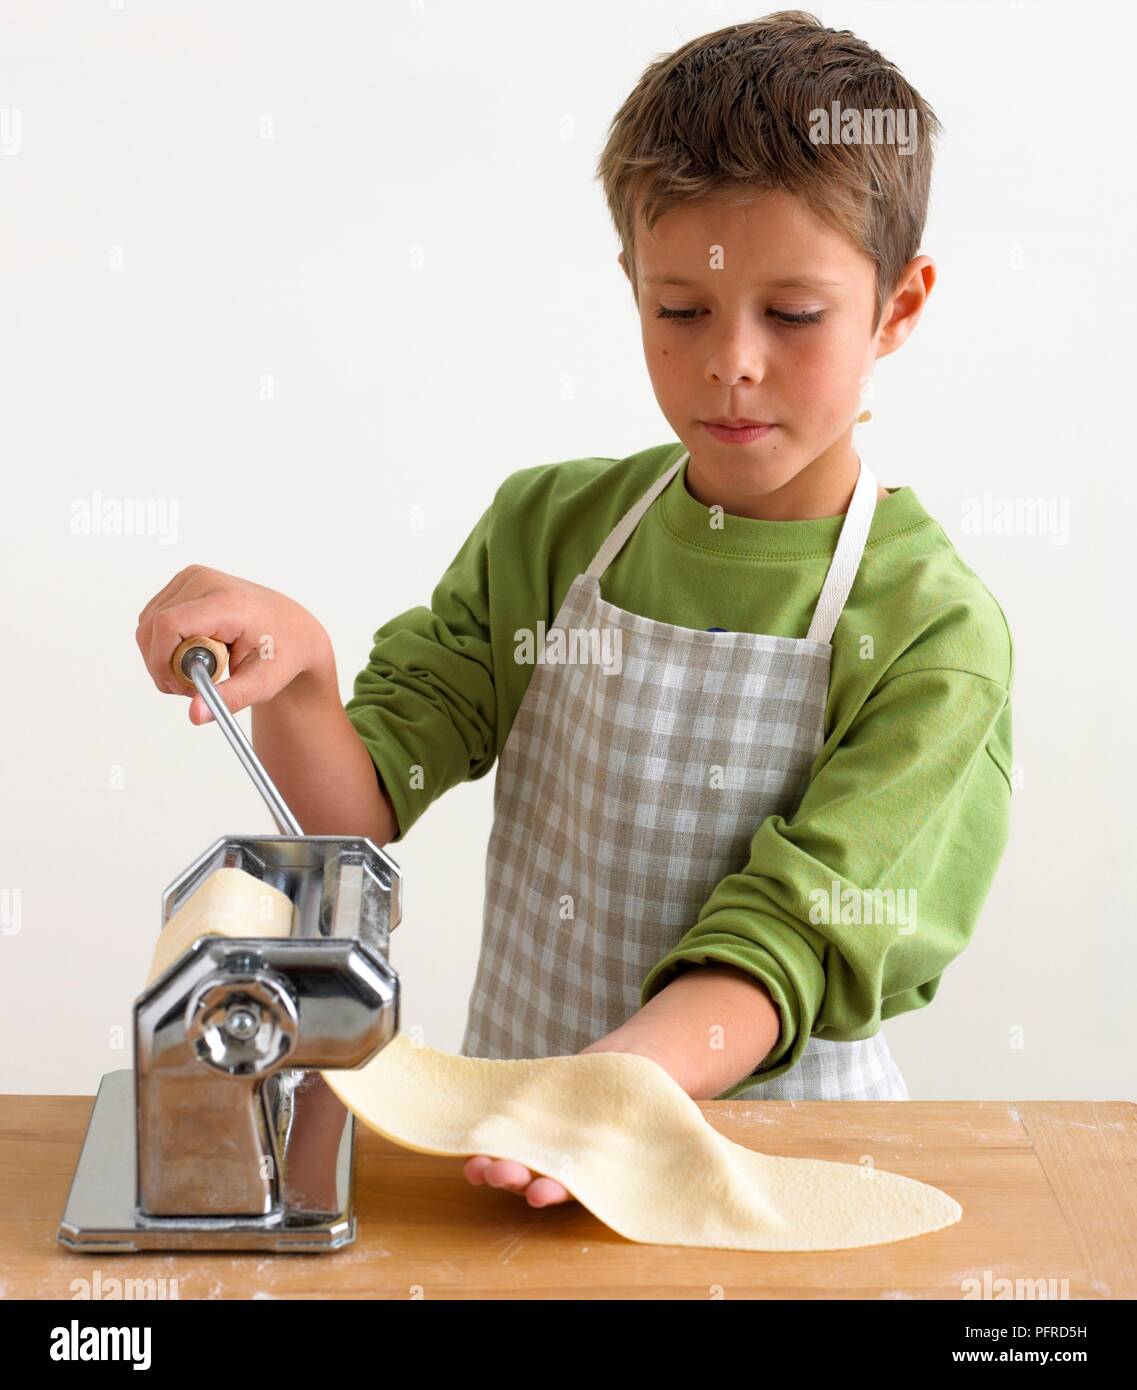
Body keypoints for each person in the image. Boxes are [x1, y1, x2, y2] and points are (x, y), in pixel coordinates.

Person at [136, 12, 1013, 1210]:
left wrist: (607, 1093)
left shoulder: (934, 633)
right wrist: (302, 676)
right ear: (633, 286)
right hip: (513, 1165)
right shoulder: (548, 534)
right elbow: (354, 814)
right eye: (682, 310)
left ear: (897, 308)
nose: (732, 360)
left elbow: (799, 934)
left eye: (794, 315)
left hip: (762, 1173)